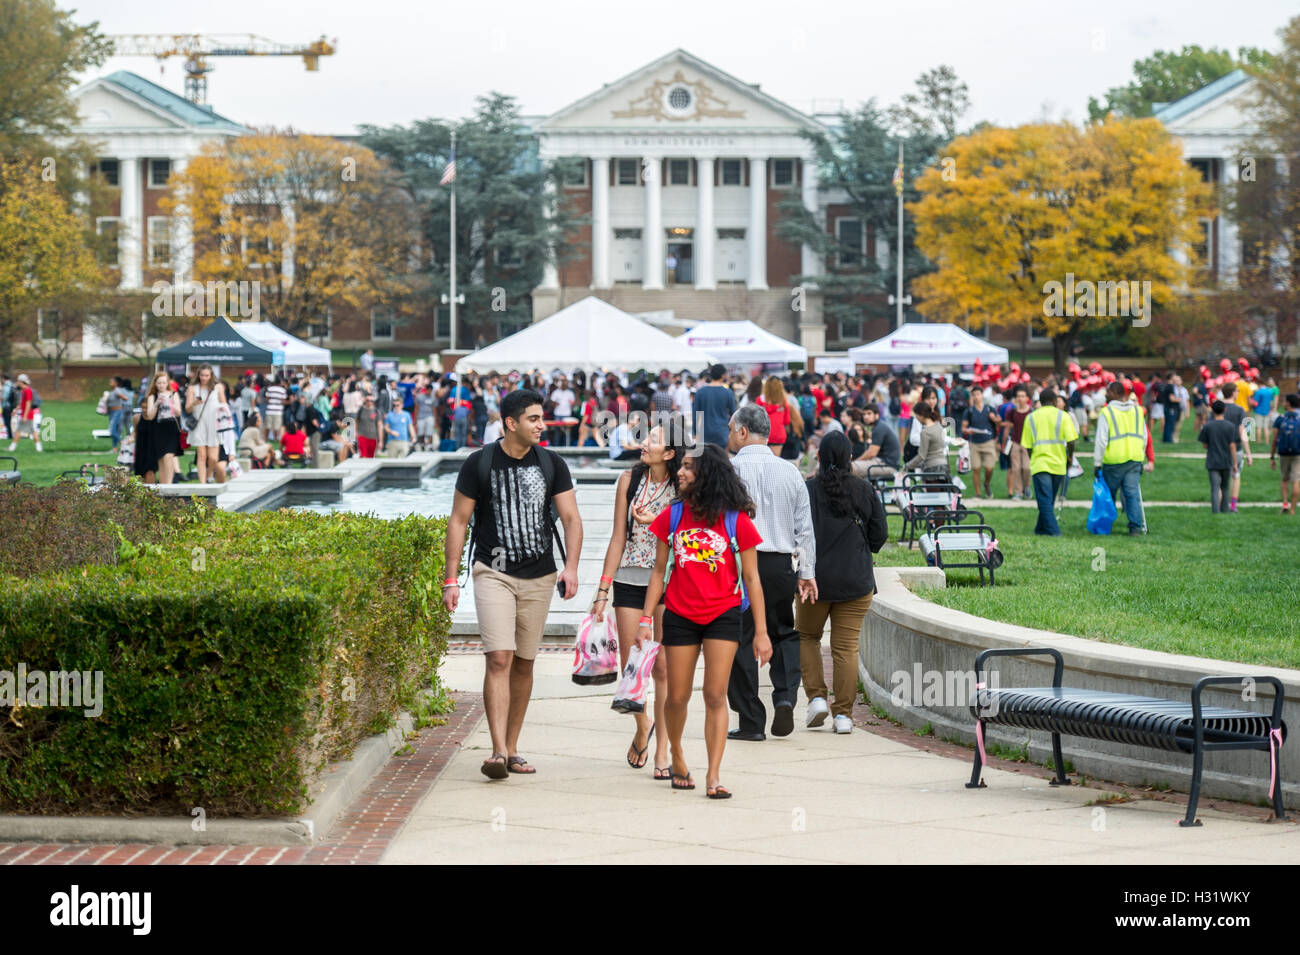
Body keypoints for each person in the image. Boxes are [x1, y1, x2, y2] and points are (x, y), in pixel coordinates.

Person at [444, 389, 582, 779]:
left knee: (524, 661)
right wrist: (450, 579)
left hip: (540, 574)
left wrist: (571, 568)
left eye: (542, 418)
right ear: (511, 423)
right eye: (534, 419)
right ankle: (498, 751)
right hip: (493, 572)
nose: (542, 425)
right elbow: (459, 520)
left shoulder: (552, 463)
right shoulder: (479, 462)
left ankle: (514, 746)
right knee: (499, 657)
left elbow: (571, 519)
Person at [639, 444, 770, 798]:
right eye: (680, 466)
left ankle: (713, 775)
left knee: (715, 695)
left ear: (707, 474)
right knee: (678, 697)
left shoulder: (735, 520)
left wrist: (761, 632)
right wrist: (646, 617)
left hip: (723, 615)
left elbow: (753, 580)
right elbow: (657, 573)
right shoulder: (673, 515)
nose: (679, 472)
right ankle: (677, 754)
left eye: (687, 467)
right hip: (680, 613)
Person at [593, 421, 688, 780]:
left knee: (663, 667)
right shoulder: (629, 481)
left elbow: (690, 535)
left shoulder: (684, 487)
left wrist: (658, 522)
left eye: (653, 439)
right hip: (630, 579)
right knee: (632, 665)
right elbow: (618, 537)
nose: (643, 442)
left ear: (669, 453)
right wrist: (603, 589)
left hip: (668, 579)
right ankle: (641, 722)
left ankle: (662, 748)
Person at [726, 405, 817, 741]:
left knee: (739, 638)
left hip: (739, 567)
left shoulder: (730, 469)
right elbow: (803, 528)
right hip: (780, 565)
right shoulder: (790, 472)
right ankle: (785, 696)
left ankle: (751, 719)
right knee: (783, 632)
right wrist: (807, 571)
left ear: (743, 432)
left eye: (732, 428)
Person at [798, 431, 888, 734]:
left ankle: (817, 699)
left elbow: (796, 532)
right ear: (850, 457)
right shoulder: (865, 489)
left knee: (807, 637)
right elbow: (879, 536)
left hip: (814, 580)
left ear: (820, 457)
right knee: (846, 648)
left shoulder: (808, 489)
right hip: (856, 579)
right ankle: (844, 716)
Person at [1093, 380, 1151, 536]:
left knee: (1108, 496)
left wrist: (1097, 463)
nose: (1106, 394)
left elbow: (1101, 440)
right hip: (1134, 459)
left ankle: (1106, 526)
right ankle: (1135, 527)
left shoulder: (1107, 412)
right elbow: (1144, 436)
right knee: (1132, 494)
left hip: (1114, 461)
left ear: (1116, 393)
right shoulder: (1138, 411)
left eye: (1109, 391)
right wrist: (1142, 453)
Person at [1020, 388, 1078, 536]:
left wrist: (1033, 456)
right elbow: (1071, 441)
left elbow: (1027, 445)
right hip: (1058, 463)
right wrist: (1070, 457)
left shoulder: (1031, 417)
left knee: (1046, 500)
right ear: (1054, 401)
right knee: (1047, 499)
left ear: (1040, 400)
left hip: (1040, 463)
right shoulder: (1063, 416)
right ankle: (1052, 531)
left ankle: (1044, 529)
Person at [136, 371, 182, 484]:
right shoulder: (152, 397)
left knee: (168, 456)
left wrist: (170, 402)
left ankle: (169, 484)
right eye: (159, 383)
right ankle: (163, 485)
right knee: (161, 458)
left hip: (171, 428)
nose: (161, 385)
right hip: (158, 429)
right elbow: (150, 416)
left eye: (163, 383)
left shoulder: (174, 394)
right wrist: (157, 403)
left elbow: (178, 412)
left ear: (167, 383)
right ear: (155, 384)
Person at [185, 364, 225, 484]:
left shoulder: (218, 387)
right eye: (202, 375)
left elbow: (224, 404)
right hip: (200, 424)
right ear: (198, 375)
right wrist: (194, 403)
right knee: (201, 456)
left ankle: (210, 474)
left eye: (206, 375)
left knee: (213, 457)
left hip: (214, 424)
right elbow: (187, 409)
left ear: (211, 375)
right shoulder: (193, 388)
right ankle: (203, 484)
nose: (204, 378)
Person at [1220, 382, 1254, 513]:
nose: (1238, 393)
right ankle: (1233, 506)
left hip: (1220, 448)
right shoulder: (1239, 410)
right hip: (1237, 447)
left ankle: (1220, 505)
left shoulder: (1217, 407)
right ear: (1233, 392)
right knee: (1236, 476)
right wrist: (1249, 453)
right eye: (1237, 391)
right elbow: (1243, 432)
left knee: (1220, 478)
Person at [1200, 400, 1239, 514]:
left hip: (1212, 461)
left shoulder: (1208, 426)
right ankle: (1225, 510)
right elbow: (1232, 446)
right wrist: (1235, 463)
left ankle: (1215, 511)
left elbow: (1205, 445)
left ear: (1212, 410)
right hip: (1226, 461)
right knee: (1225, 487)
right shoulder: (1231, 426)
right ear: (1224, 410)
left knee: (1215, 488)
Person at [962, 388, 1000, 498]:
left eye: (978, 394)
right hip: (974, 442)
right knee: (976, 468)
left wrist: (994, 419)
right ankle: (977, 493)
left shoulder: (990, 409)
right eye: (973, 395)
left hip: (988, 441)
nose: (976, 397)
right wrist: (967, 431)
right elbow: (963, 428)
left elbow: (999, 422)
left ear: (982, 395)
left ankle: (986, 483)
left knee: (989, 468)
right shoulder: (969, 411)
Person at [851, 404, 903, 479]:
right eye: (864, 414)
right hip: (882, 462)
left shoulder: (879, 428)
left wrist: (857, 461)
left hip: (887, 465)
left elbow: (872, 453)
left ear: (877, 415)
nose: (866, 417)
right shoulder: (878, 426)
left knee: (852, 467)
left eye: (869, 413)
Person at [692, 364, 737, 447]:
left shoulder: (700, 392)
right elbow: (734, 414)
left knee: (706, 458)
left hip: (704, 432)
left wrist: (695, 432)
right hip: (722, 432)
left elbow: (696, 415)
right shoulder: (728, 393)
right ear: (723, 375)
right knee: (720, 458)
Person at [1271, 393, 1300, 514]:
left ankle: (1285, 504)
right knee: (1296, 481)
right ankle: (1293, 509)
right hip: (1298, 453)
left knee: (1284, 479)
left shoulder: (1281, 418)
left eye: (1284, 401)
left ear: (1288, 403)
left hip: (1283, 453)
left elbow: (1275, 439)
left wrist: (1272, 456)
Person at [1001, 386, 1033, 500]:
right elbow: (1007, 428)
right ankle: (1018, 492)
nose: (1020, 398)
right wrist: (1003, 443)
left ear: (1027, 398)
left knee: (1026, 468)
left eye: (1023, 396)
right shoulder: (1012, 411)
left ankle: (1026, 487)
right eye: (1018, 396)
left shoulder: (1031, 412)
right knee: (1016, 468)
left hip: (1028, 443)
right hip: (1015, 442)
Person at [904, 403, 949, 474]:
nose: (916, 418)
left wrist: (907, 465)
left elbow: (922, 455)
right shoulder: (938, 426)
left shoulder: (925, 432)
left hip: (932, 467)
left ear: (921, 415)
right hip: (944, 464)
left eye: (916, 416)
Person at [756, 377, 791, 456]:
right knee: (775, 461)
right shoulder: (783, 401)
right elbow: (787, 421)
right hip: (778, 434)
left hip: (763, 434)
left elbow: (756, 419)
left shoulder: (760, 400)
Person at [7, 374, 41, 453]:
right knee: (33, 432)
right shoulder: (24, 391)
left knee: (18, 431)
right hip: (27, 415)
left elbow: (28, 404)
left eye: (18, 381)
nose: (17, 382)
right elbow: (22, 403)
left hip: (27, 415)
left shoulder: (28, 391)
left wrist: (25, 416)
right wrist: (16, 409)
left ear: (22, 381)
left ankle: (12, 448)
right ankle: (39, 448)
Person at [1252, 377, 1279, 446]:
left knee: (1258, 427)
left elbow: (1255, 403)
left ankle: (1259, 441)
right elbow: (1271, 402)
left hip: (1258, 411)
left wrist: (1251, 404)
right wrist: (1271, 409)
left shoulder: (1258, 391)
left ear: (1259, 384)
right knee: (1266, 427)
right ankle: (1267, 442)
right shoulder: (1270, 391)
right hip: (1267, 411)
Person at [355, 392, 381, 459]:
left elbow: (379, 426)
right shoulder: (361, 410)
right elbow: (356, 421)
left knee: (370, 458)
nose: (369, 402)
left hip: (373, 437)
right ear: (365, 401)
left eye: (371, 401)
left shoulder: (376, 411)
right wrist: (355, 432)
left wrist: (381, 440)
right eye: (368, 400)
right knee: (363, 456)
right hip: (362, 436)